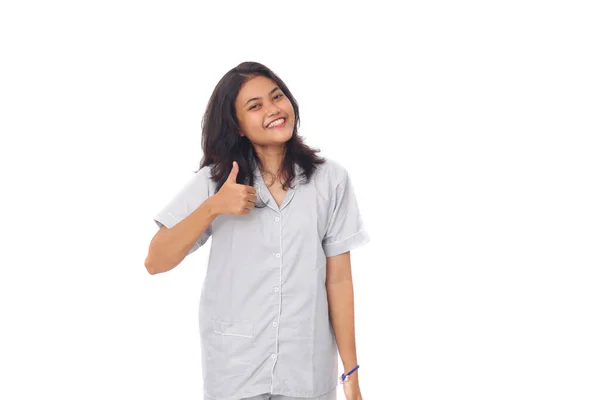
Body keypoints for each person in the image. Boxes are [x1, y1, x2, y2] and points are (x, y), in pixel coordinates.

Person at [145, 61, 370, 400]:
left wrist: (350, 373)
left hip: (305, 370)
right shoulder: (216, 181)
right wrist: (213, 207)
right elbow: (155, 260)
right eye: (255, 106)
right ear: (237, 126)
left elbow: (338, 280)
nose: (274, 109)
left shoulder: (331, 181)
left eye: (277, 96)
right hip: (236, 370)